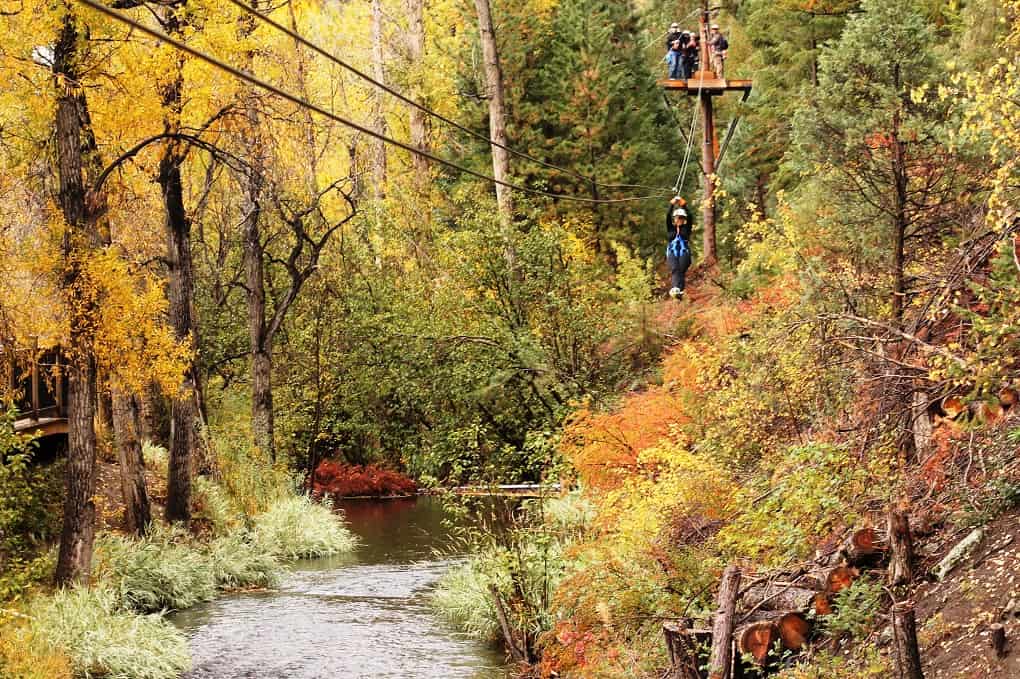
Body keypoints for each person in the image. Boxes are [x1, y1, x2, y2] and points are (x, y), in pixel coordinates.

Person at [666, 197, 693, 300]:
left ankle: (679, 291)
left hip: (684, 251)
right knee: (675, 269)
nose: (679, 219)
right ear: (675, 218)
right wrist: (671, 204)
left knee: (681, 270)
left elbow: (690, 216)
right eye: (677, 217)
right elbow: (667, 216)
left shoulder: (687, 228)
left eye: (681, 217)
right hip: (672, 251)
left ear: (684, 219)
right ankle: (675, 289)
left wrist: (683, 204)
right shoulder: (670, 228)